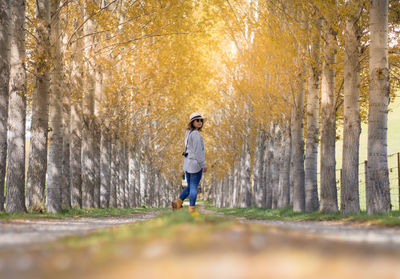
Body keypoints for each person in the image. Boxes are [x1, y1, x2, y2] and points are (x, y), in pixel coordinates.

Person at [172, 112, 207, 213]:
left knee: (190, 186)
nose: (200, 122)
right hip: (195, 164)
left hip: (188, 163)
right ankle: (192, 210)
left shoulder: (188, 133)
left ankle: (178, 202)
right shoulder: (195, 134)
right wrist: (203, 165)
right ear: (192, 122)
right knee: (193, 187)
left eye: (201, 120)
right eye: (197, 120)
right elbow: (198, 152)